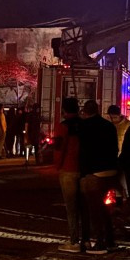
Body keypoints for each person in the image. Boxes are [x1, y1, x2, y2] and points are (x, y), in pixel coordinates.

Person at [78, 99, 121, 254]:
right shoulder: (109, 126)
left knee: (94, 209)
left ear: (85, 111)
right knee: (105, 208)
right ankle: (111, 240)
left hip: (94, 173)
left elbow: (82, 152)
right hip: (111, 171)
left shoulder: (83, 127)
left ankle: (100, 242)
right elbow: (115, 148)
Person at [52, 97, 89, 252]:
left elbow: (59, 149)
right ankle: (86, 240)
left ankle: (74, 240)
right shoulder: (85, 126)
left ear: (64, 110)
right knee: (84, 207)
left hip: (68, 170)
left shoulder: (63, 127)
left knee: (71, 208)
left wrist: (57, 166)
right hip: (84, 169)